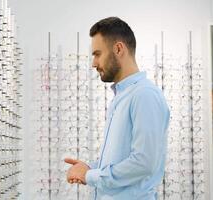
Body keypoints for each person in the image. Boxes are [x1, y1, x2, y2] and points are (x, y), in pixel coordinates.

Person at [64, 17, 170, 200]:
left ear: (119, 49)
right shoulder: (121, 98)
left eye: (97, 54)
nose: (94, 63)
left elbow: (143, 163)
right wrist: (90, 168)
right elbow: (120, 160)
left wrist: (89, 176)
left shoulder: (144, 95)